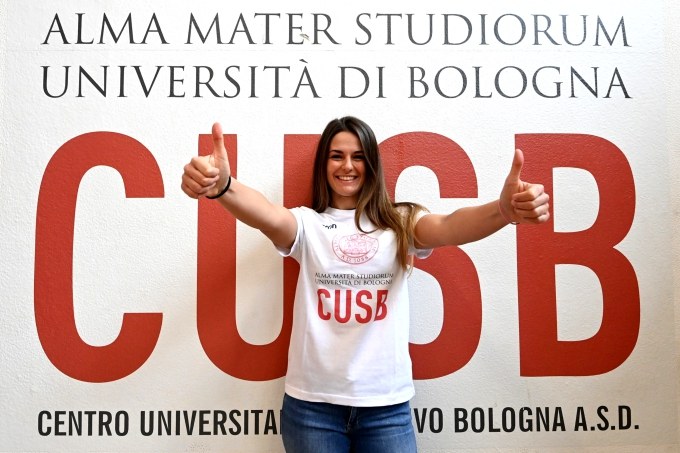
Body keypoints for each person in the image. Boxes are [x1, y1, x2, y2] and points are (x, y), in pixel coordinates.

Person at [181, 116, 550, 452]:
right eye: (336, 156)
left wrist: (503, 211)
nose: (347, 165)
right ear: (323, 164)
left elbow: (451, 226)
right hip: (312, 409)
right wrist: (224, 186)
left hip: (386, 409)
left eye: (358, 156)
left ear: (371, 164)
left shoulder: (401, 222)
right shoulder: (308, 225)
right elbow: (265, 214)